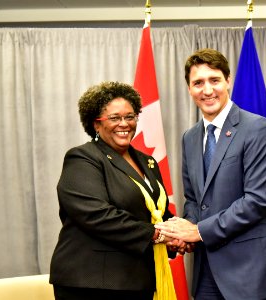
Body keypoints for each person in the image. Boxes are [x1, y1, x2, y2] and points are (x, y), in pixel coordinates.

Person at [155, 48, 266, 300]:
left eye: (214, 80)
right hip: (206, 269)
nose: (207, 90)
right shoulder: (190, 137)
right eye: (198, 83)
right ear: (189, 88)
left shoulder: (256, 128)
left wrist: (197, 231)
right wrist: (186, 231)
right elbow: (193, 198)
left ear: (228, 81)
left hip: (248, 270)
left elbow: (257, 201)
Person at [49, 81, 180, 300]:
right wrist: (158, 235)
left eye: (130, 116)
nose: (124, 124)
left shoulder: (147, 161)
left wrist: (181, 234)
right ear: (96, 124)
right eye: (115, 118)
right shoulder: (83, 158)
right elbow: (97, 215)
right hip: (93, 283)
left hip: (138, 278)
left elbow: (158, 212)